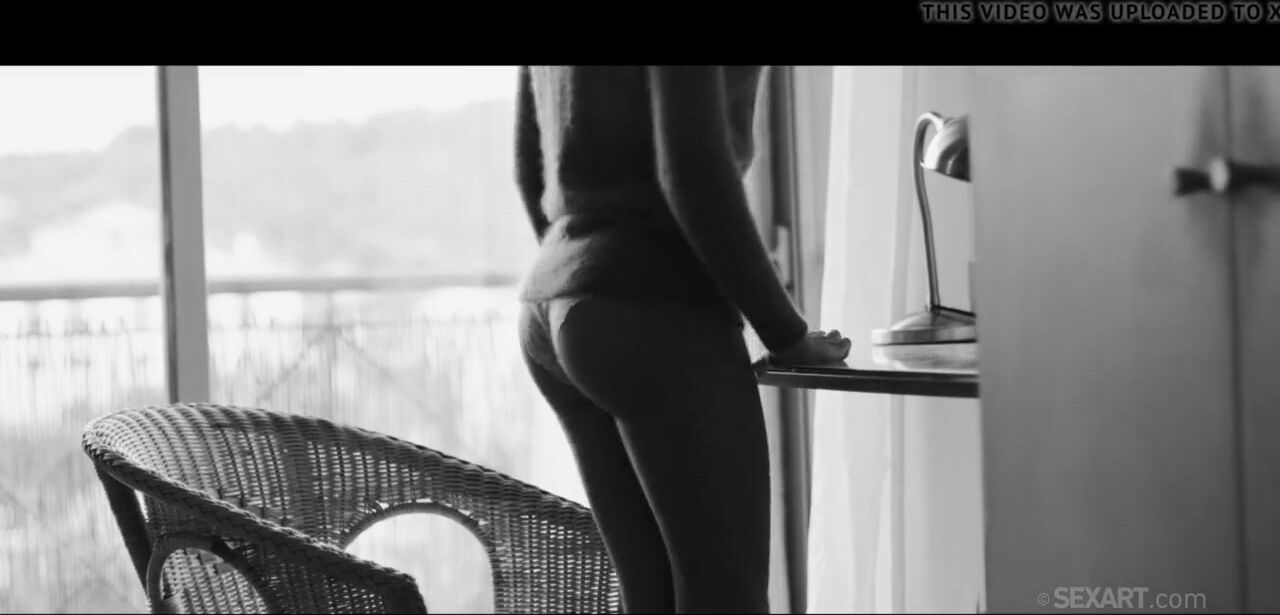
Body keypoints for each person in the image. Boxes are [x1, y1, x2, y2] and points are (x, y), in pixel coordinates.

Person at [514, 65, 851, 614]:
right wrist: (786, 335)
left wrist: (581, 275)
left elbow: (529, 167)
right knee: (726, 599)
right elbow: (692, 170)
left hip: (555, 299)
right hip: (652, 306)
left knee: (650, 595)